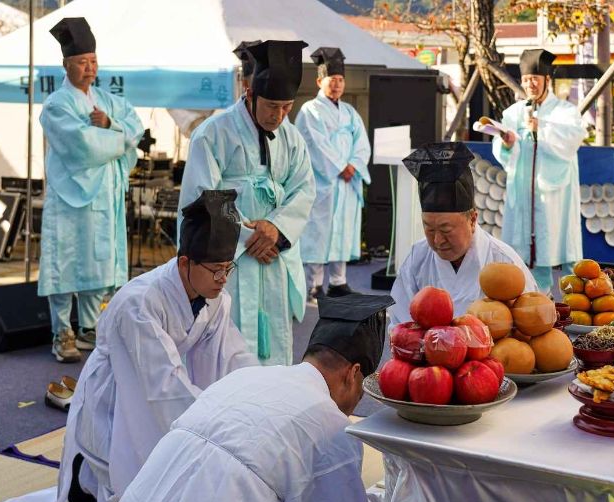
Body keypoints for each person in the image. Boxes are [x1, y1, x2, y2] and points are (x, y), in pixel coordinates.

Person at [55, 292, 392, 502]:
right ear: (353, 374)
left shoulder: (246, 378)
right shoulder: (330, 425)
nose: (356, 402)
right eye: (362, 390)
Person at [0, 190, 258, 502]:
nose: (222, 280)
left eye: (228, 269)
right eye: (215, 270)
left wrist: (255, 395)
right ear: (185, 262)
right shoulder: (140, 302)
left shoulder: (215, 296)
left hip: (159, 386)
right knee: (145, 499)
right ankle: (86, 475)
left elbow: (230, 356)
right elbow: (163, 384)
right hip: (116, 395)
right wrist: (209, 424)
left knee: (193, 467)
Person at [178, 40, 316, 366]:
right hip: (230, 261)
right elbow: (202, 197)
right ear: (249, 93)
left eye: (287, 107)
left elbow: (304, 190)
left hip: (273, 256)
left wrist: (276, 229)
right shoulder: (213, 133)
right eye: (272, 106)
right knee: (224, 346)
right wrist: (249, 236)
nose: (279, 116)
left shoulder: (292, 138)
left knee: (275, 346)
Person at [39, 17, 144, 363]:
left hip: (104, 196)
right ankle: (61, 332)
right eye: (82, 62)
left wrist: (112, 126)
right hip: (72, 197)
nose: (89, 68)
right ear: (66, 65)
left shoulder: (108, 102)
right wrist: (119, 138)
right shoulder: (57, 104)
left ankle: (88, 326)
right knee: (66, 264)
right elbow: (83, 146)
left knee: (98, 262)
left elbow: (136, 129)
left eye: (93, 61)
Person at [390, 142, 537, 325]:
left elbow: (532, 324)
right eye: (429, 228)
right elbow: (399, 322)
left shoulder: (504, 261)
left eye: (446, 230)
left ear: (473, 220)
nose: (437, 240)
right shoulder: (417, 259)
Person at [493, 49, 585, 293]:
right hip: (523, 193)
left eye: (535, 78)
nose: (530, 84)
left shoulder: (565, 111)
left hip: (555, 195)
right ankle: (535, 296)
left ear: (547, 80)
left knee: (560, 245)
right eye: (525, 79)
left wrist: (541, 128)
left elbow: (573, 139)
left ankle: (573, 303)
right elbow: (502, 150)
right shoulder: (513, 113)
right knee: (527, 254)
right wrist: (507, 143)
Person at [295, 47, 371, 302]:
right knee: (319, 230)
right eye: (332, 80)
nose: (337, 85)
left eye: (340, 80)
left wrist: (354, 165)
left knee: (343, 231)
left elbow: (362, 142)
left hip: (347, 182)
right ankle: (314, 285)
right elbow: (314, 143)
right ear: (320, 81)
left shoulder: (349, 112)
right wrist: (340, 166)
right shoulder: (310, 110)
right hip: (324, 181)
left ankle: (338, 281)